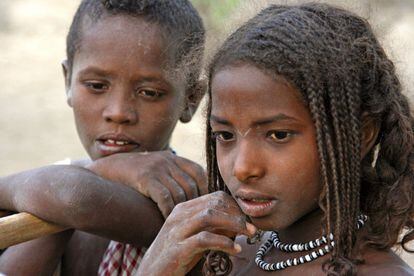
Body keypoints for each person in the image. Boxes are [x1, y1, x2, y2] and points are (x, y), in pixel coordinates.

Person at [137, 3, 414, 275]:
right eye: (225, 135)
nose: (243, 168)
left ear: (361, 136)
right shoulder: (224, 256)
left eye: (278, 135)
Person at [0, 0, 206, 275]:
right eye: (97, 86)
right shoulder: (49, 187)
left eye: (149, 93)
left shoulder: (188, 200)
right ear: (68, 81)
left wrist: (97, 172)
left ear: (191, 99)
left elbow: (75, 199)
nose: (119, 113)